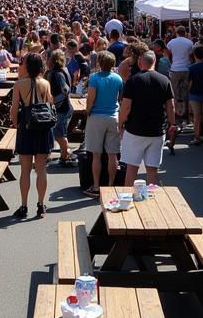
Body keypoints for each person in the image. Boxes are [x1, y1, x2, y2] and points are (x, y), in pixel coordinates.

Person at [118, 51, 176, 186]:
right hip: (157, 130)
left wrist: (120, 124)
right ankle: (152, 200)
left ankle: (128, 197)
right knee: (152, 169)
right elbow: (170, 106)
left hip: (134, 130)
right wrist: (172, 124)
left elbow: (126, 106)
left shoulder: (133, 80)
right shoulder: (164, 80)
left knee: (132, 167)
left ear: (139, 62)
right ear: (154, 62)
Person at [10, 53, 54, 219]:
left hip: (26, 128)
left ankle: (23, 205)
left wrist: (16, 124)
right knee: (41, 169)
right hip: (43, 128)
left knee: (25, 170)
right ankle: (41, 204)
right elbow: (50, 102)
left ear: (27, 66)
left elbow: (14, 109)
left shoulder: (19, 85)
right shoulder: (46, 83)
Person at [83, 52, 124, 198]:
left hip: (97, 116)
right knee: (113, 154)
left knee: (96, 155)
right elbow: (121, 98)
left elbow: (91, 98)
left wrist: (88, 111)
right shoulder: (118, 78)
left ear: (100, 63)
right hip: (113, 116)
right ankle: (111, 185)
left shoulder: (95, 78)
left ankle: (96, 186)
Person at [46, 49, 74, 167]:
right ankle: (64, 155)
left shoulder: (57, 74)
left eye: (48, 59)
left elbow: (65, 90)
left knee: (59, 134)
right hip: (64, 107)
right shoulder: (63, 70)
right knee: (59, 133)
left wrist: (54, 103)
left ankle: (65, 156)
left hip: (62, 108)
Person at [167, 26, 195, 126]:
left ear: (176, 32)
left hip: (175, 69)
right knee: (186, 94)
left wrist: (173, 61)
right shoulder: (190, 43)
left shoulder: (171, 43)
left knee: (174, 94)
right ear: (185, 32)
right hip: (187, 68)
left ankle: (175, 116)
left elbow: (169, 55)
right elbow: (192, 56)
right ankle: (186, 117)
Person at [187, 45, 203, 145]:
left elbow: (190, 83)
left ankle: (197, 137)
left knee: (196, 116)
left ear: (194, 55)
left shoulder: (191, 67)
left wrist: (187, 93)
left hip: (194, 93)